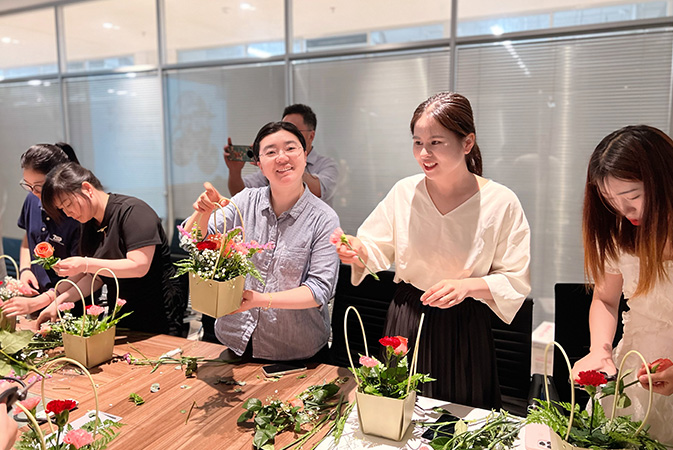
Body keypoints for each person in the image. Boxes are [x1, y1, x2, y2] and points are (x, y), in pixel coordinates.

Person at [335, 92, 531, 409]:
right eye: (417, 142)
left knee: (458, 422)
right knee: (397, 413)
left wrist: (467, 286)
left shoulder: (500, 201)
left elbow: (515, 279)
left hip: (464, 325)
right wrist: (356, 250)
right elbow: (375, 248)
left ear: (467, 143)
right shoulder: (404, 192)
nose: (424, 153)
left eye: (436, 143)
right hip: (407, 317)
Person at [185, 121, 340, 361]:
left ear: (305, 154)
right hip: (233, 343)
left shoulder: (323, 218)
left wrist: (262, 300)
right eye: (270, 152)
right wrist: (203, 212)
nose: (282, 158)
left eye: (291, 148)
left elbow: (319, 290)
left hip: (295, 353)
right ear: (259, 163)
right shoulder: (246, 200)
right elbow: (193, 240)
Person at [572, 125, 673, 443]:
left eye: (633, 197)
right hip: (635, 364)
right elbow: (605, 299)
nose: (622, 210)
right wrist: (599, 350)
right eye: (610, 200)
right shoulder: (620, 235)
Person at [32, 162, 184, 335]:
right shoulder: (89, 222)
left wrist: (85, 263)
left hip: (158, 312)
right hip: (121, 312)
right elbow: (96, 278)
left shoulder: (133, 212)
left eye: (68, 204)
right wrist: (57, 304)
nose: (68, 213)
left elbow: (139, 266)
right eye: (62, 209)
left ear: (87, 188)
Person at [1, 143, 81, 318]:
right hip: (34, 301)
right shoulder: (32, 199)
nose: (33, 191)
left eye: (39, 186)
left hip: (70, 306)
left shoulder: (76, 213)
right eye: (28, 185)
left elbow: (82, 275)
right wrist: (25, 270)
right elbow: (27, 239)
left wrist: (41, 301)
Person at [224, 104, 339, 206]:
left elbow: (320, 190)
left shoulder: (327, 165)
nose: (287, 135)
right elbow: (240, 195)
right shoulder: (273, 166)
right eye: (285, 129)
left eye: (295, 131)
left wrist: (288, 165)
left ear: (311, 136)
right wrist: (235, 171)